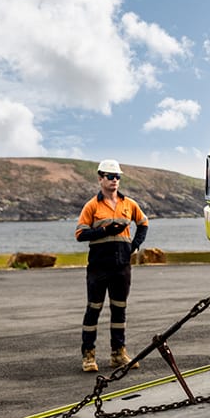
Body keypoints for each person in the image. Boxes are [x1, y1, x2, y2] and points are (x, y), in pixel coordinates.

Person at [74, 159, 149, 372]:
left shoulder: (129, 204)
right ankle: (88, 355)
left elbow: (144, 223)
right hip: (99, 266)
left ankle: (118, 353)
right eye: (110, 176)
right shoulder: (92, 206)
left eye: (117, 177)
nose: (115, 180)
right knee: (93, 310)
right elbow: (80, 234)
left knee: (119, 310)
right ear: (100, 179)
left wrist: (134, 246)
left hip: (122, 266)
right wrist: (106, 230)